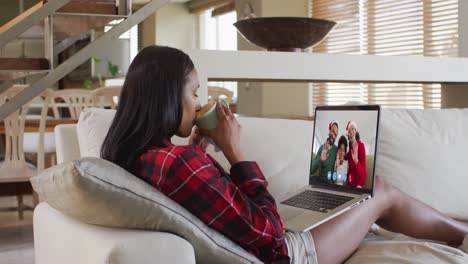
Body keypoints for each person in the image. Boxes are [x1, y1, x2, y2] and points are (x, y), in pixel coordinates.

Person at [101, 46, 468, 264]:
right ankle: (462, 236)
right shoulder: (180, 164)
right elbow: (270, 236)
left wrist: (199, 150)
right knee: (381, 191)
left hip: (276, 240)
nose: (198, 102)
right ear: (168, 97)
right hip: (289, 255)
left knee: (360, 200)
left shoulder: (139, 155)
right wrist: (234, 150)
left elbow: (206, 200)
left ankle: (456, 225)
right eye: (194, 93)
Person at [346, 121, 367, 188]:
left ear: (356, 132)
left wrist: (356, 160)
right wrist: (348, 182)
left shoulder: (361, 146)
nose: (351, 132)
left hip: (358, 186)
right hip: (350, 186)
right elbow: (350, 173)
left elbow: (363, 177)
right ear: (348, 137)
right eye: (349, 131)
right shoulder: (349, 152)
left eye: (353, 129)